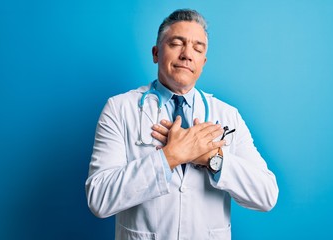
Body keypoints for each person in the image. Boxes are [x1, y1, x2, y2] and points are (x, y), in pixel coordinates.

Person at [85, 9, 279, 240]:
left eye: (198, 49)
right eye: (176, 43)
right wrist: (170, 157)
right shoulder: (119, 109)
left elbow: (266, 195)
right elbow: (99, 199)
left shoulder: (228, 115)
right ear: (156, 53)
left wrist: (212, 158)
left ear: (203, 62)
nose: (187, 54)